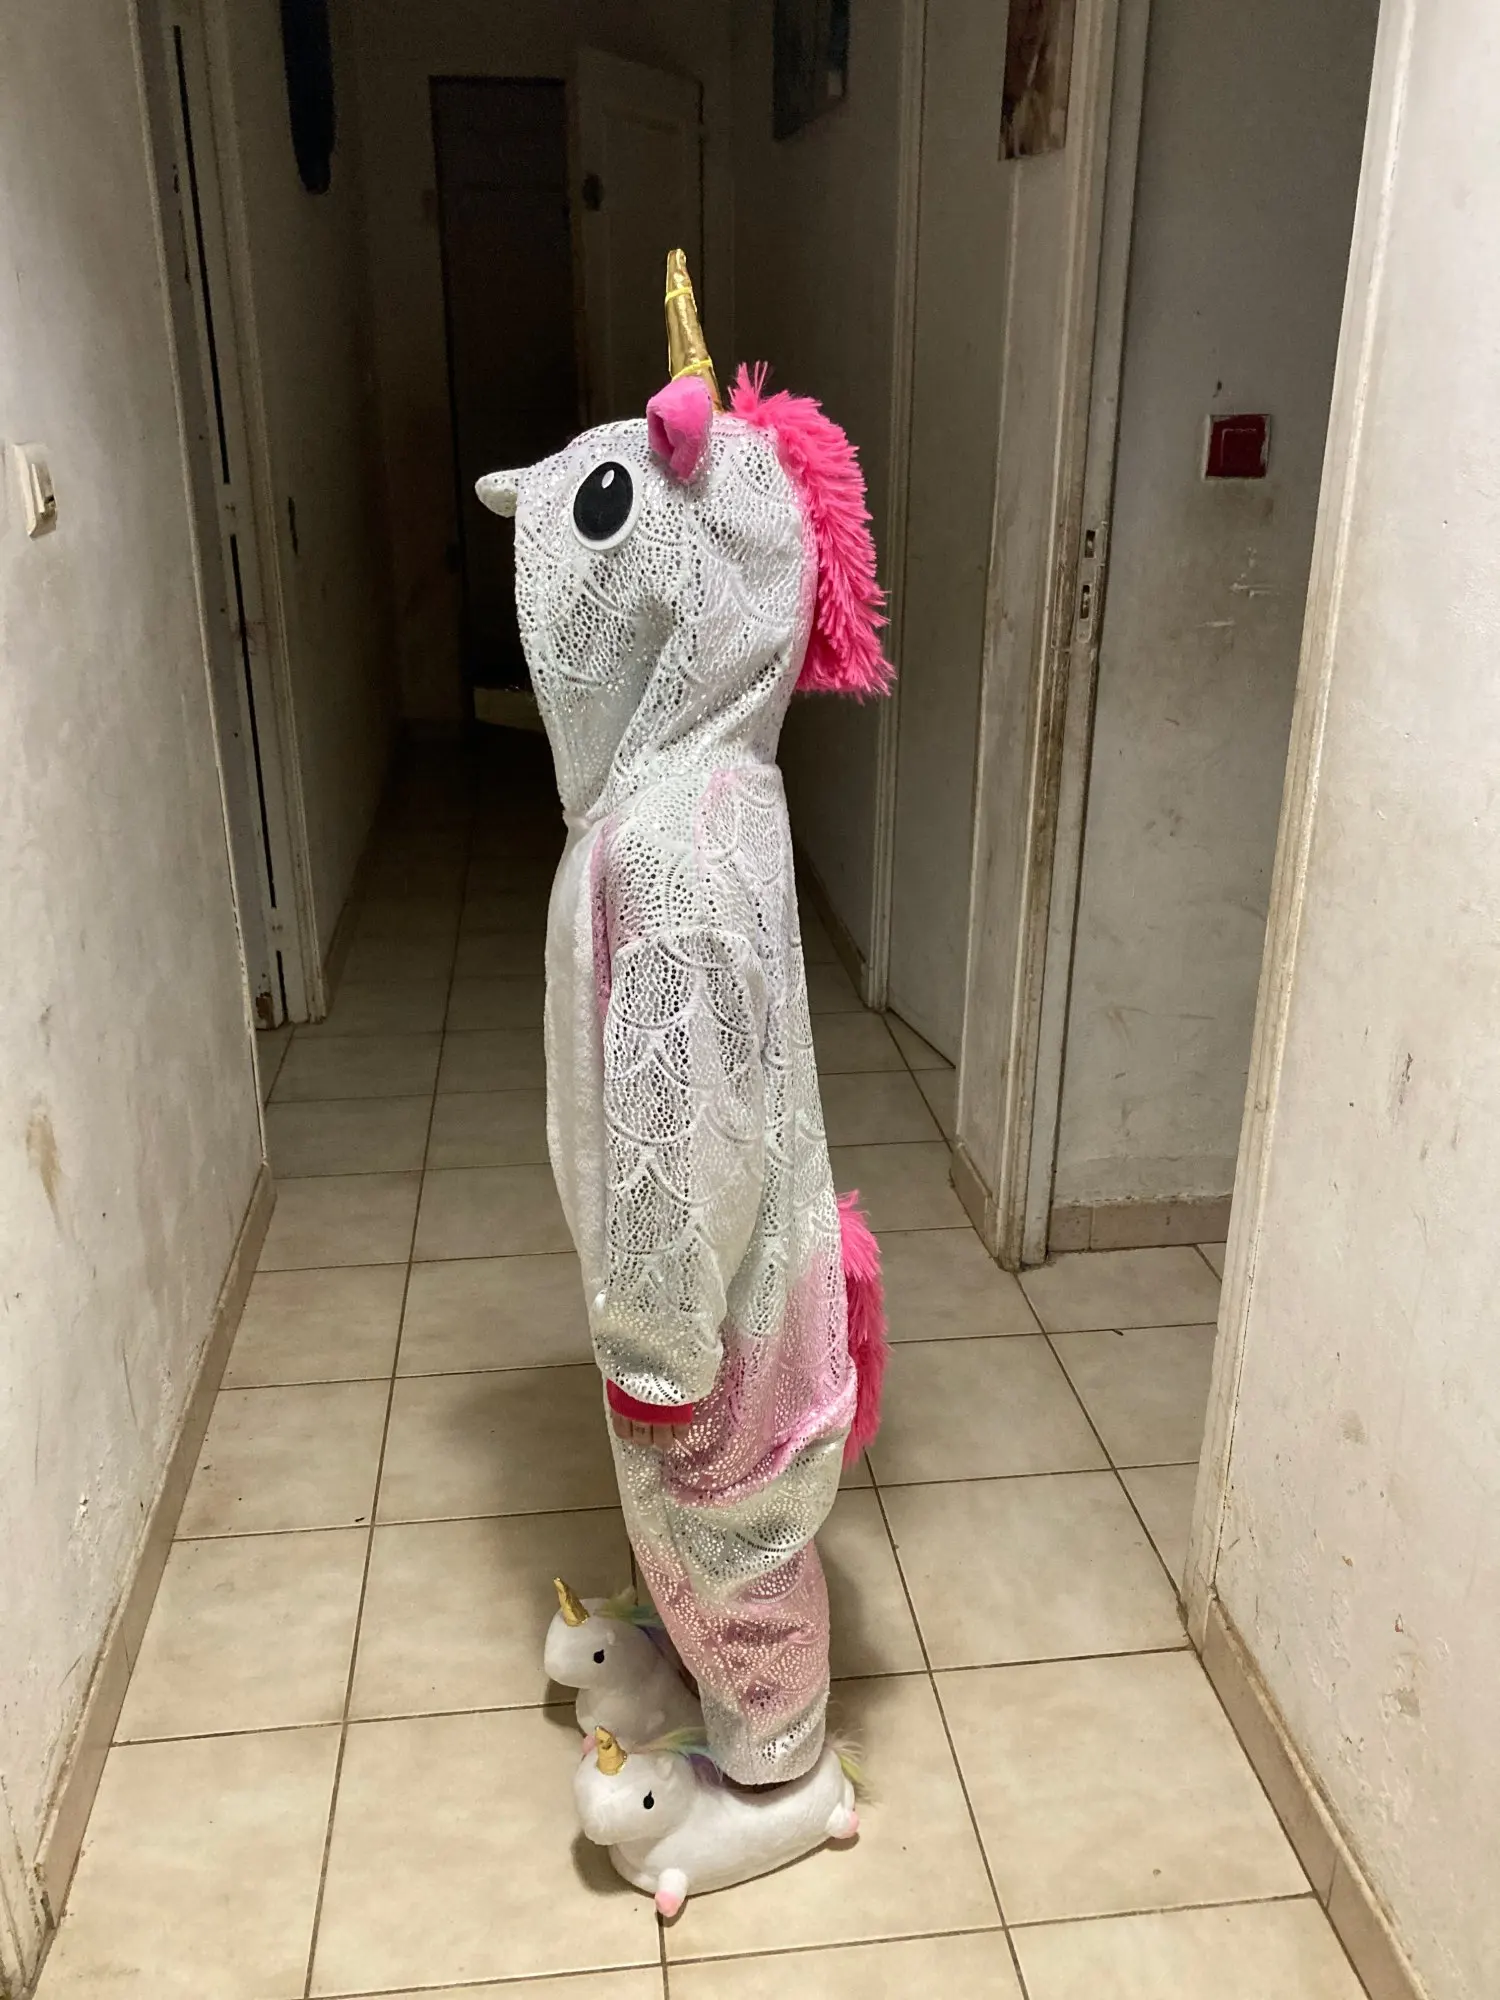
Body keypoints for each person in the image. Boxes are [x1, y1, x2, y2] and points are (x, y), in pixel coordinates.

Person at [477, 253, 890, 1788]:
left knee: (716, 1491)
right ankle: (699, 1651)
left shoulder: (674, 849)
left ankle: (778, 1757)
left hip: (700, 1297)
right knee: (682, 1503)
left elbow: (679, 1111)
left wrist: (656, 1337)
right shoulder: (706, 791)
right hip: (714, 1268)